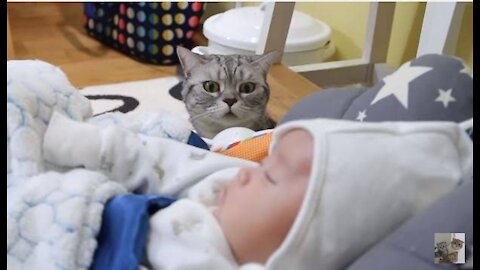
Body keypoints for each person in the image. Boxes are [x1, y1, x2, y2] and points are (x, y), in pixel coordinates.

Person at [43, 112, 472, 269]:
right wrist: (95, 146)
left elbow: (442, 249)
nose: (246, 174)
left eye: (269, 176)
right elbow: (167, 161)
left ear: (311, 240)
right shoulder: (224, 185)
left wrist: (455, 246)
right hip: (69, 209)